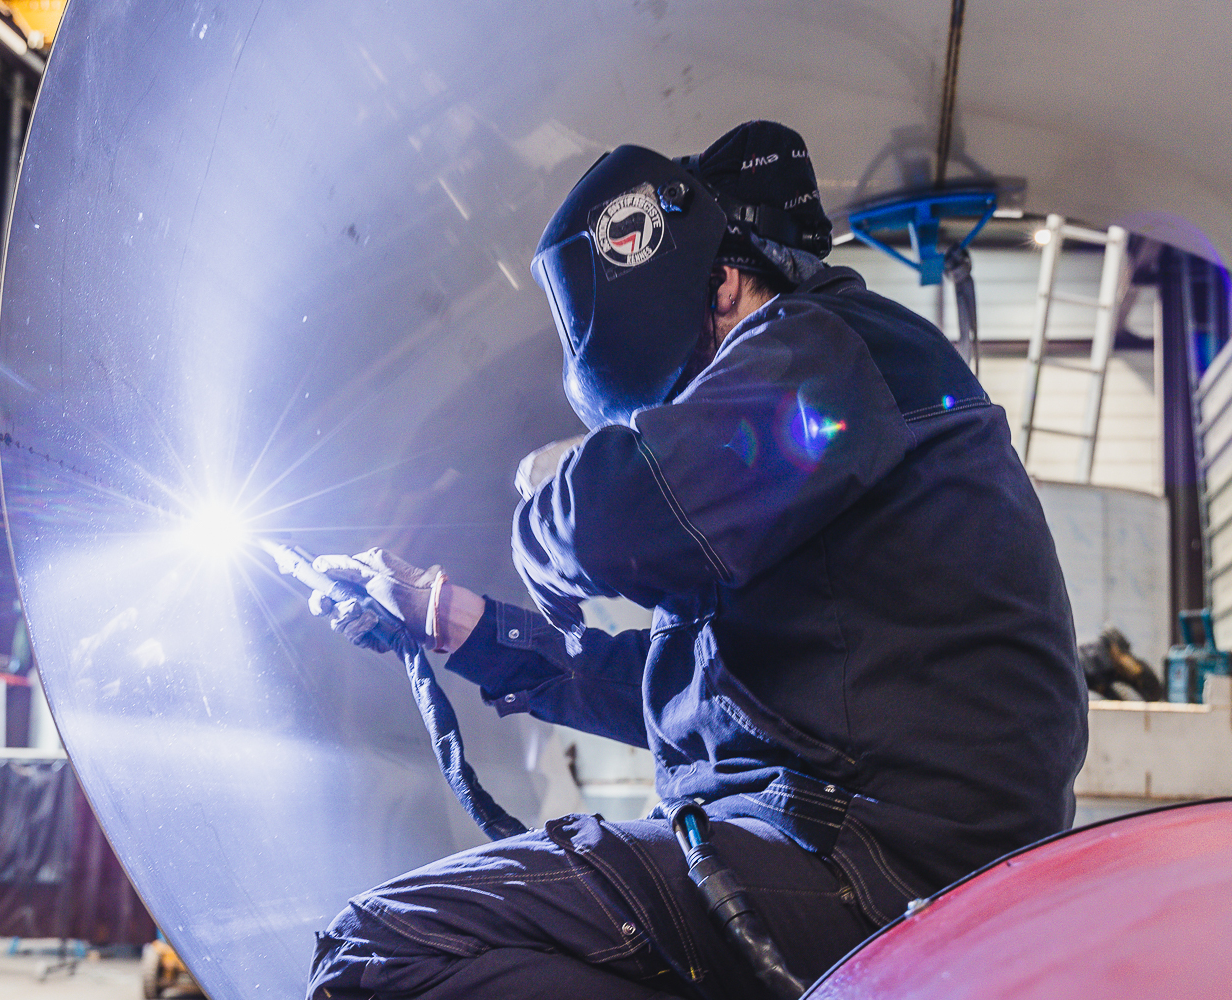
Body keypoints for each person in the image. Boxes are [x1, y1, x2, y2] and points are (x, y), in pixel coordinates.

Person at [302, 121, 1087, 999]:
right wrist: (459, 624)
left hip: (879, 860)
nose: (685, 415)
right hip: (849, 849)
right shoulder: (815, 441)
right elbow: (699, 695)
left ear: (721, 284)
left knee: (387, 948)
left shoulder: (828, 347)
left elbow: (608, 522)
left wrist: (549, 501)